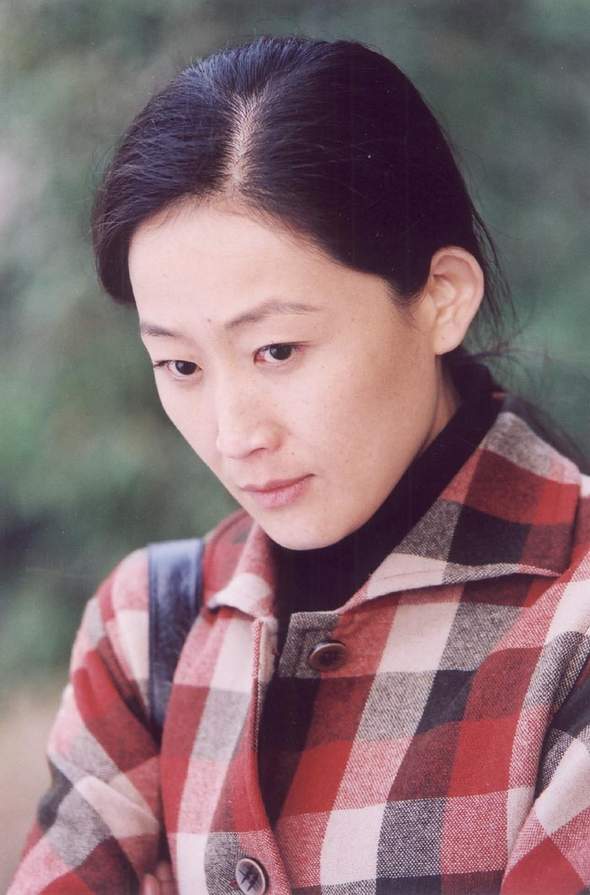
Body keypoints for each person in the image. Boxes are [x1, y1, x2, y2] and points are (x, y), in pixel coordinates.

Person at [9, 35, 590, 895]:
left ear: (442, 298)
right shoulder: (149, 628)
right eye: (181, 364)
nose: (233, 433)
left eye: (277, 349)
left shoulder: (572, 619)